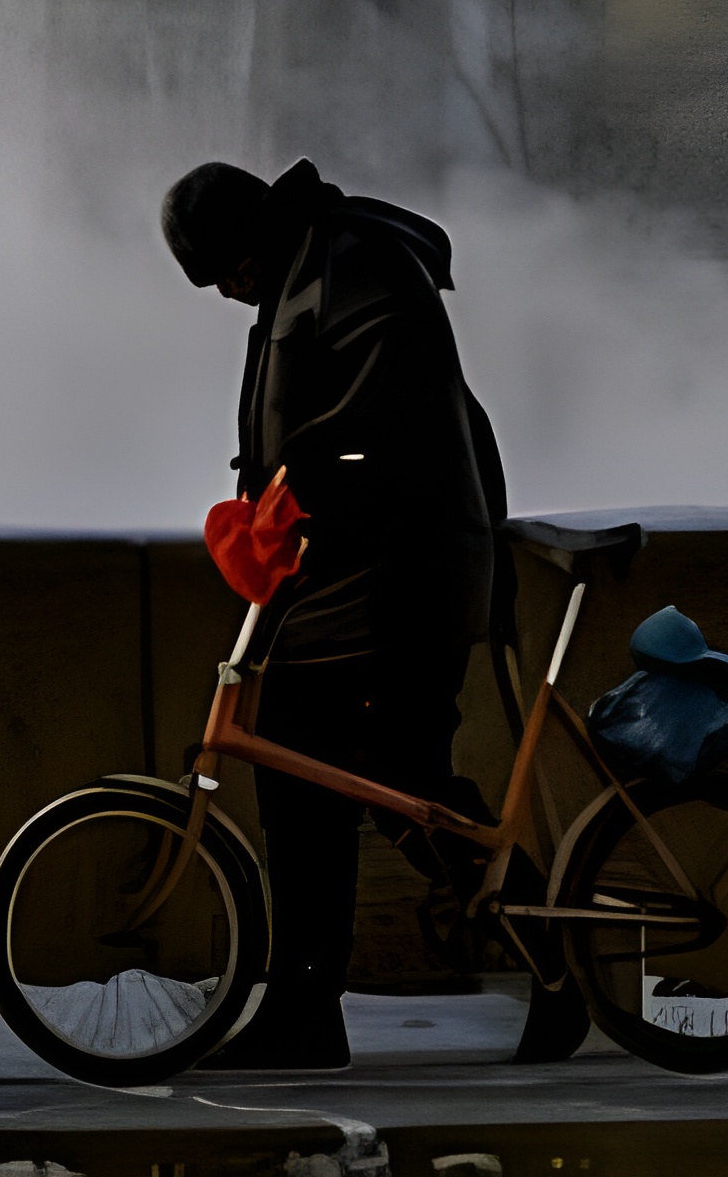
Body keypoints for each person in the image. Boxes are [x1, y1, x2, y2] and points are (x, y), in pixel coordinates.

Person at [161, 154, 502, 1071]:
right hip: (372, 575)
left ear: (246, 241)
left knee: (342, 780)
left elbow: (382, 428)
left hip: (398, 580)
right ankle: (316, 1005)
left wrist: (292, 495)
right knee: (380, 781)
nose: (232, 295)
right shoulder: (312, 267)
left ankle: (311, 1011)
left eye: (226, 274)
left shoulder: (354, 270)